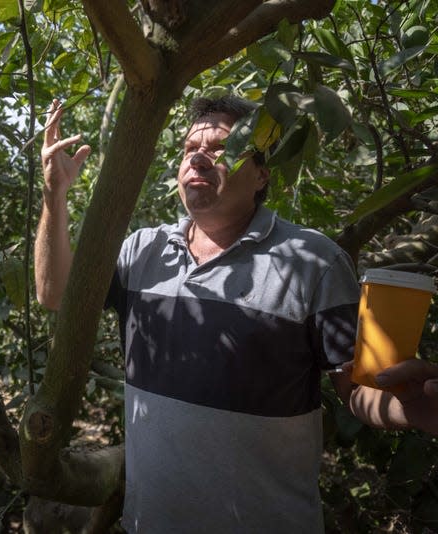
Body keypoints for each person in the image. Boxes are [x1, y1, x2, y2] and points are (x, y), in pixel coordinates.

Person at [35, 96, 438, 533]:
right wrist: (54, 195)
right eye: (190, 149)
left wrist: (410, 407)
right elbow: (57, 295)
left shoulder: (312, 261)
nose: (199, 159)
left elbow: (356, 390)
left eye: (221, 148)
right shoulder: (142, 250)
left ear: (262, 173)